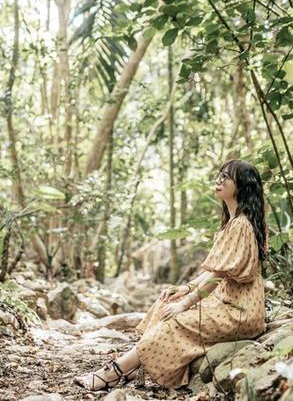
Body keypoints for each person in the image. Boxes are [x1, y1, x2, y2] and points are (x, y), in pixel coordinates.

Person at [73, 158, 268, 391]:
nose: (218, 181)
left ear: (242, 185)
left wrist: (186, 303)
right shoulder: (231, 223)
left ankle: (115, 370)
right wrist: (184, 290)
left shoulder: (241, 225)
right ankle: (138, 367)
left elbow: (217, 276)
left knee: (175, 319)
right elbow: (215, 272)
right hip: (227, 301)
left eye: (225, 177)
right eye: (219, 175)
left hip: (240, 311)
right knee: (167, 300)